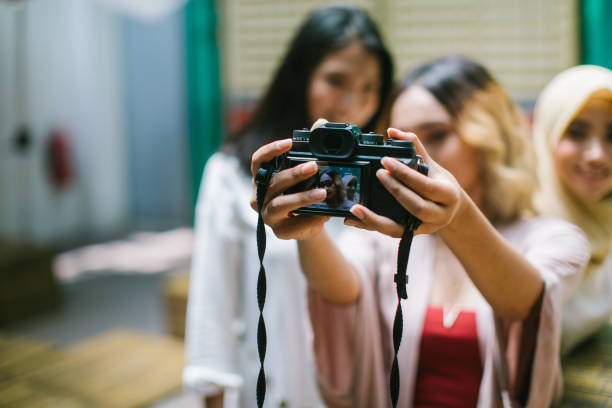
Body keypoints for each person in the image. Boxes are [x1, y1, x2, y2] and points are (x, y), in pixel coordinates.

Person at [251, 55, 590, 407]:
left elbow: (526, 305)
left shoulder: (555, 239)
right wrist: (310, 227)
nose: (419, 162)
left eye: (438, 135)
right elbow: (340, 290)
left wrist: (456, 213)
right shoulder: (380, 240)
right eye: (402, 148)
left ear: (489, 134)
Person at [183, 6, 393, 408]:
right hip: (272, 391)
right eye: (336, 80)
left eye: (371, 87)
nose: (353, 102)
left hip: (357, 392)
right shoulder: (234, 173)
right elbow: (213, 304)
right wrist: (211, 394)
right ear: (300, 76)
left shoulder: (376, 180)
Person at [532, 65, 612, 355]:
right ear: (547, 135)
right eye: (576, 133)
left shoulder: (606, 220)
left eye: (611, 137)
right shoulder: (519, 224)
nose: (597, 155)